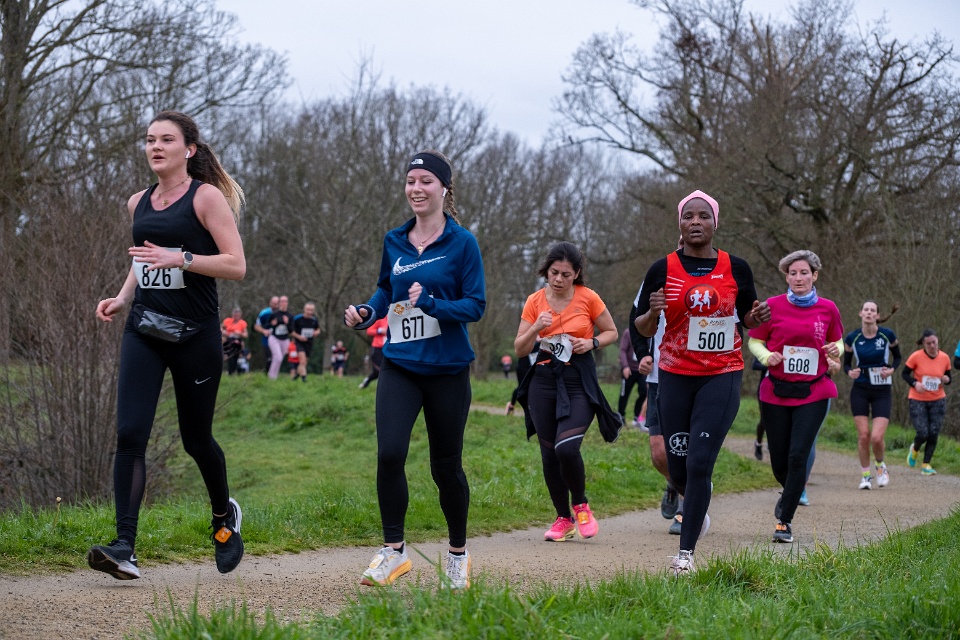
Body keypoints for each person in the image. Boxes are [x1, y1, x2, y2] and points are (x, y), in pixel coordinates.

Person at [88, 110, 246, 580]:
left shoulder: (206, 197)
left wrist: (184, 258)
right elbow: (145, 260)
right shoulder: (138, 202)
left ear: (189, 150)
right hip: (145, 330)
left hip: (195, 335)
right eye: (149, 139)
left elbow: (236, 264)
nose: (155, 147)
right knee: (130, 434)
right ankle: (124, 547)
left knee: (196, 440)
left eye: (166, 140)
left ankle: (224, 519)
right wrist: (122, 298)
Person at [343, 149, 485, 589]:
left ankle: (457, 556)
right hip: (400, 364)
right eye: (411, 181)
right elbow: (387, 289)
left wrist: (433, 305)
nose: (417, 189)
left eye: (426, 181)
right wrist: (368, 311)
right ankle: (394, 552)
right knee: (389, 454)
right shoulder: (395, 240)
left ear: (444, 188)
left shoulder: (463, 243)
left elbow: (475, 305)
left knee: (446, 467)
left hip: (447, 369)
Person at [633, 190, 769, 575]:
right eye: (688, 216)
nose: (696, 221)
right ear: (680, 224)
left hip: (721, 374)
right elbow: (641, 326)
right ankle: (697, 507)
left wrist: (756, 316)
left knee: (698, 463)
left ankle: (685, 555)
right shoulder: (661, 268)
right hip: (675, 375)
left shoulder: (736, 268)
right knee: (678, 469)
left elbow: (748, 316)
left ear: (715, 223)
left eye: (703, 216)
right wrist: (652, 313)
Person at [514, 241, 620, 543]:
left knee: (566, 448)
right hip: (543, 380)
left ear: (576, 274)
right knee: (549, 454)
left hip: (577, 380)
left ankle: (581, 505)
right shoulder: (535, 301)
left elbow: (611, 331)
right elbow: (520, 348)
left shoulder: (588, 298)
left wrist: (592, 343)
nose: (558, 279)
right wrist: (536, 327)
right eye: (554, 273)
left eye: (566, 274)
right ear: (546, 270)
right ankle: (563, 519)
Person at [747, 250, 843, 544]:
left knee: (798, 454)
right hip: (776, 391)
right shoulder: (771, 306)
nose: (798, 278)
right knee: (780, 461)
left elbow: (837, 340)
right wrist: (767, 357)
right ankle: (790, 490)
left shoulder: (828, 308)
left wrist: (836, 350)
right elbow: (755, 341)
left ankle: (784, 520)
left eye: (804, 273)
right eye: (792, 273)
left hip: (814, 390)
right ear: (786, 277)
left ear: (815, 276)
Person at [843, 300, 901, 489]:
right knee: (863, 435)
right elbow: (846, 364)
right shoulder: (852, 337)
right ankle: (866, 476)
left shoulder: (887, 335)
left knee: (876, 437)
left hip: (881, 390)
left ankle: (880, 465)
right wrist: (850, 372)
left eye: (872, 310)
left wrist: (891, 369)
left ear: (877, 315)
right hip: (860, 389)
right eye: (866, 310)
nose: (869, 313)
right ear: (861, 313)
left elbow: (898, 357)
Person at [903, 329, 952, 475]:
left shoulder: (944, 358)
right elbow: (904, 374)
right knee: (923, 432)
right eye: (928, 343)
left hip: (938, 399)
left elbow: (948, 377)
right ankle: (915, 449)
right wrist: (914, 383)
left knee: (934, 432)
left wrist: (946, 379)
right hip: (918, 399)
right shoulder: (916, 356)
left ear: (937, 341)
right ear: (923, 344)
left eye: (934, 342)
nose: (932, 346)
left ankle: (926, 464)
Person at [618, 327, 647, 430]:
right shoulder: (628, 332)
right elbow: (622, 350)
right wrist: (625, 366)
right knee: (624, 394)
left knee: (644, 391)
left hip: (641, 369)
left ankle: (637, 416)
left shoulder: (647, 333)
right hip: (629, 369)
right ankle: (621, 416)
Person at [291, 302, 321, 382]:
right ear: (304, 309)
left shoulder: (314, 319)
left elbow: (318, 329)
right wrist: (299, 337)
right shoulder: (297, 319)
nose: (309, 312)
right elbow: (291, 331)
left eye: (311, 310)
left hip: (309, 342)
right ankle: (304, 378)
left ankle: (296, 375)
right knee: (303, 360)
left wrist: (316, 332)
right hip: (299, 342)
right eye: (308, 310)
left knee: (305, 362)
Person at [266, 295, 291, 380]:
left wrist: (287, 323)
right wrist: (272, 324)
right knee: (278, 357)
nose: (284, 303)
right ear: (279, 303)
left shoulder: (290, 316)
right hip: (274, 338)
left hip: (285, 339)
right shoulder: (274, 314)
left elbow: (292, 330)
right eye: (282, 301)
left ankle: (274, 376)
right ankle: (271, 376)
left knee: (279, 359)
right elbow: (266, 325)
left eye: (286, 301)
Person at [359, 317, 388, 389]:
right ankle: (381, 387)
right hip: (378, 347)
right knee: (379, 370)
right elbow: (369, 331)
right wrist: (380, 330)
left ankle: (367, 381)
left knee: (382, 370)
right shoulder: (381, 318)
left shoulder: (396, 317)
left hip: (389, 348)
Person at [254, 296, 279, 375]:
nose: (275, 305)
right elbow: (256, 326)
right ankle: (268, 373)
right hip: (267, 339)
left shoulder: (282, 313)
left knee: (277, 357)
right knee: (269, 358)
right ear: (270, 303)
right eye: (274, 303)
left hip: (279, 339)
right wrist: (264, 331)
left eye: (277, 303)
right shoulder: (264, 313)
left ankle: (273, 374)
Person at [221, 307, 248, 375]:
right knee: (229, 355)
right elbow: (220, 328)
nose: (236, 317)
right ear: (232, 315)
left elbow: (246, 335)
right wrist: (224, 332)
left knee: (235, 356)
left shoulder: (242, 323)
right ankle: (230, 371)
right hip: (228, 340)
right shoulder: (227, 321)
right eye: (235, 315)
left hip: (237, 341)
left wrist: (240, 333)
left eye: (238, 315)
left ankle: (233, 372)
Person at [752, 358, 768, 460]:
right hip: (765, 389)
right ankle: (758, 443)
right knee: (764, 420)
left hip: (783, 389)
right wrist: (771, 364)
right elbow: (755, 365)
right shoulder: (766, 349)